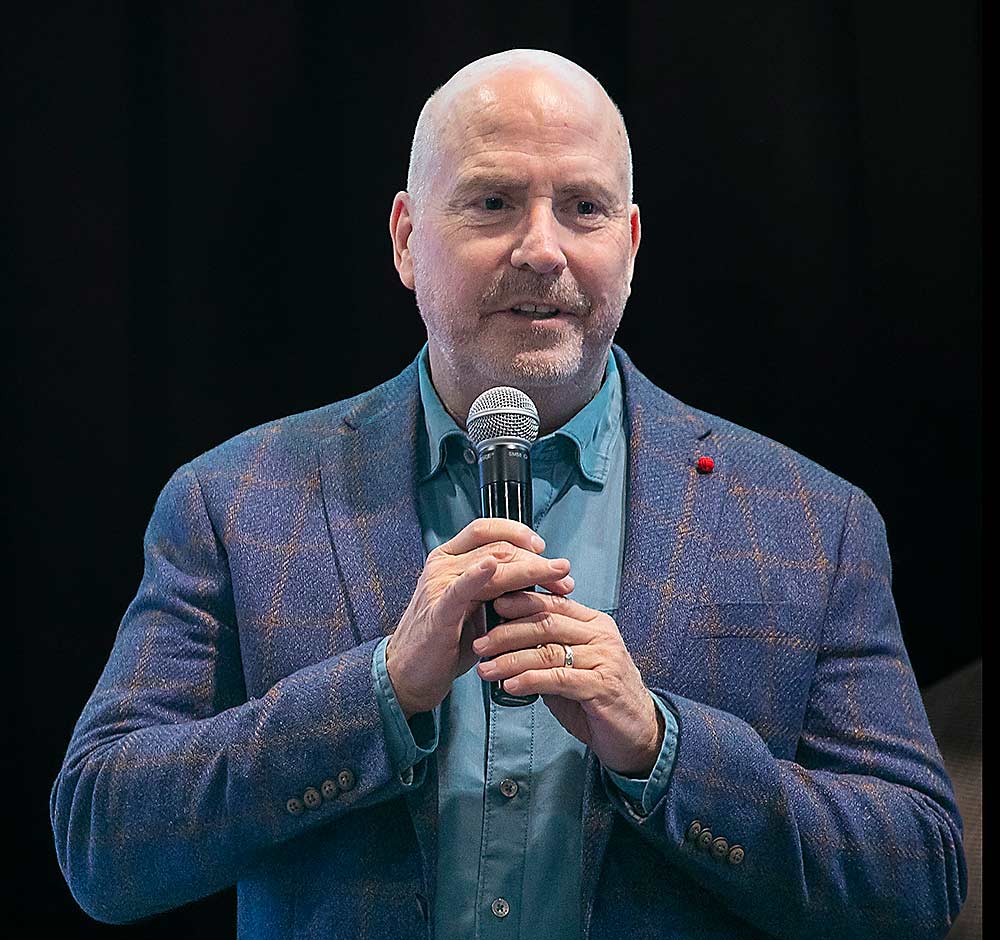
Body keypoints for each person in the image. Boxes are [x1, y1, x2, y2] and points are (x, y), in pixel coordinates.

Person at [50, 49, 966, 939]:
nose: (542, 248)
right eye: (492, 203)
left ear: (631, 243)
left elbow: (917, 878)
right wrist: (376, 696)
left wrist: (661, 748)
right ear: (407, 239)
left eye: (584, 207)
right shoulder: (233, 501)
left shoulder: (815, 521)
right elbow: (103, 845)